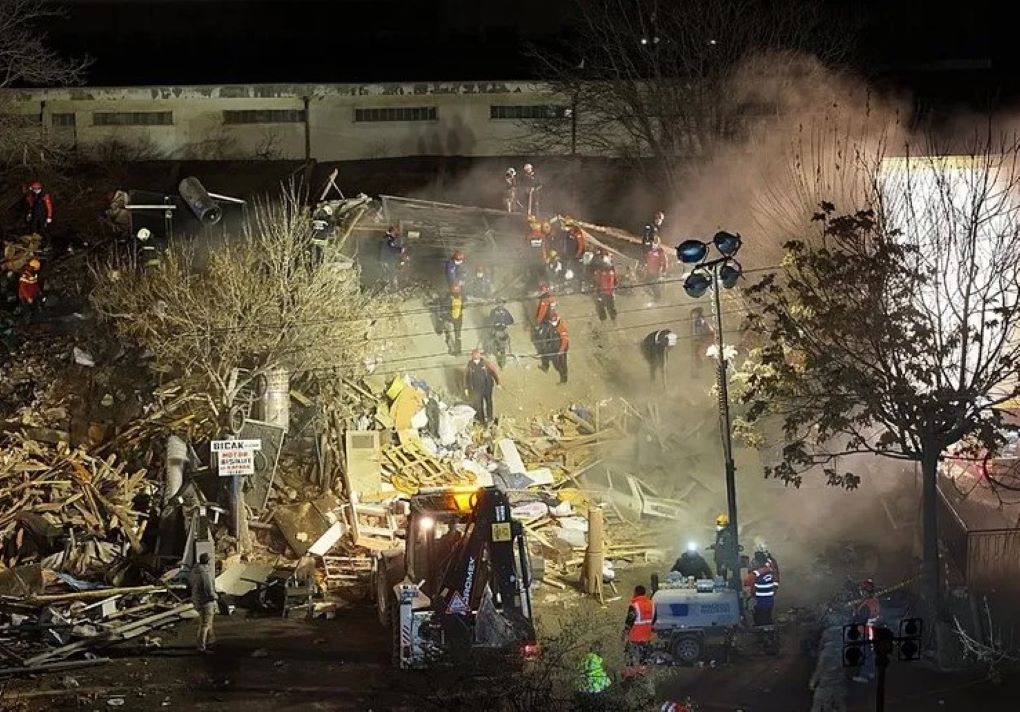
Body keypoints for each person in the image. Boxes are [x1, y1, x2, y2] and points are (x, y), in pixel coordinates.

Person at [852, 578, 881, 683]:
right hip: (872, 630)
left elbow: (860, 619)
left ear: (865, 591)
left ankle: (864, 676)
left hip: (865, 632)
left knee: (865, 652)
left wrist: (855, 615)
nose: (861, 592)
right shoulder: (874, 601)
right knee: (870, 653)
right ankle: (871, 672)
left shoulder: (867, 605)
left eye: (862, 590)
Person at [189, 553, 218, 653]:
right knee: (205, 624)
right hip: (206, 601)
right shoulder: (205, 573)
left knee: (206, 623)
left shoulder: (195, 571)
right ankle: (201, 646)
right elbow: (208, 589)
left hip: (197, 599)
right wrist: (215, 596)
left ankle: (210, 641)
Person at [464, 349, 501, 424]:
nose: (476, 356)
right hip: (477, 388)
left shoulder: (485, 363)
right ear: (472, 356)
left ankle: (490, 418)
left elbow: (493, 372)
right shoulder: (470, 365)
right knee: (479, 404)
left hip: (487, 387)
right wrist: (466, 388)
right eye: (474, 354)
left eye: (477, 354)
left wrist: (498, 383)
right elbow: (466, 377)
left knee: (489, 402)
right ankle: (482, 420)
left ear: (480, 355)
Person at [622, 584, 655, 667]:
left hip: (634, 636)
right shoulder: (652, 605)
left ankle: (630, 672)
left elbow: (629, 621)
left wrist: (625, 633)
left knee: (630, 654)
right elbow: (654, 619)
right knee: (644, 656)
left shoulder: (634, 606)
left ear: (636, 593)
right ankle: (642, 672)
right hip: (647, 636)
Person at [743, 551, 779, 626]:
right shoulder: (770, 570)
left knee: (759, 620)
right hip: (770, 600)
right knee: (768, 617)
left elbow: (746, 582)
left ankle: (761, 634)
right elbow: (776, 576)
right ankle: (770, 634)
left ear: (757, 562)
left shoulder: (755, 574)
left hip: (759, 601)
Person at [575, 639, 611, 707]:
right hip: (596, 692)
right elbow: (605, 682)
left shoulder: (583, 660)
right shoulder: (596, 662)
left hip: (582, 691)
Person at [536, 313, 569, 384]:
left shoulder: (562, 329)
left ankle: (564, 379)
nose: (552, 323)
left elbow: (565, 341)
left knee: (561, 364)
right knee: (544, 354)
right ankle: (545, 367)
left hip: (560, 349)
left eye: (553, 322)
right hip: (551, 345)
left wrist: (560, 351)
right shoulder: (551, 324)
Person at [708, 513, 737, 581]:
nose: (718, 525)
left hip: (722, 562)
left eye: (720, 524)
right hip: (719, 561)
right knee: (719, 577)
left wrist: (725, 563)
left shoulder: (726, 535)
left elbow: (727, 550)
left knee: (722, 578)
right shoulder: (720, 534)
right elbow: (720, 545)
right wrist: (713, 546)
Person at [592, 252, 618, 324]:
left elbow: (596, 282)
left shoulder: (601, 272)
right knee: (609, 306)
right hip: (608, 292)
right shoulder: (611, 272)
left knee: (601, 306)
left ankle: (606, 320)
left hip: (604, 292)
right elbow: (616, 281)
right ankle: (612, 320)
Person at [489, 300, 515, 368]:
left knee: (504, 344)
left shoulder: (505, 312)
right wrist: (495, 324)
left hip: (503, 329)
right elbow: (490, 321)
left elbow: (511, 320)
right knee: (495, 342)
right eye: (499, 304)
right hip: (496, 330)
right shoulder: (494, 312)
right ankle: (493, 351)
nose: (500, 305)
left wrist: (505, 323)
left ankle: (502, 361)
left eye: (501, 304)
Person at [644, 235, 669, 304]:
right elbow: (647, 258)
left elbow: (664, 261)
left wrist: (663, 271)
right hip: (649, 271)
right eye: (653, 242)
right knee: (646, 284)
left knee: (655, 285)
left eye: (656, 242)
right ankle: (652, 297)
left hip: (656, 272)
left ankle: (657, 299)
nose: (654, 244)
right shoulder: (650, 250)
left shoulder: (660, 251)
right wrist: (645, 265)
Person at [441, 283, 465, 356]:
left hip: (451, 317)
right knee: (458, 335)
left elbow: (444, 304)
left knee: (443, 320)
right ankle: (459, 351)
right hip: (459, 318)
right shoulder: (462, 297)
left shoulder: (449, 297)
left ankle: (444, 334)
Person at [691, 307, 713, 373]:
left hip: (704, 341)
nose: (693, 316)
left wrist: (700, 341)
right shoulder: (698, 321)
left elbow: (705, 332)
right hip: (702, 341)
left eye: (694, 314)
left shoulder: (700, 321)